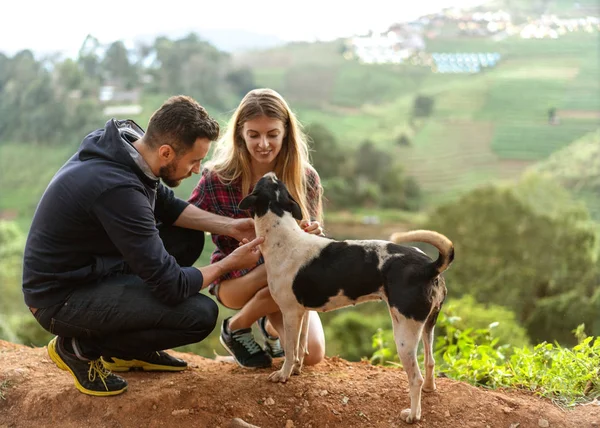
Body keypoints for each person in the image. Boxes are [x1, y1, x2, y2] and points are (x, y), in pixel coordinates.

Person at [22, 95, 264, 397]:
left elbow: (167, 206)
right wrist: (229, 264)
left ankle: (131, 351)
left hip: (97, 267)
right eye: (193, 160)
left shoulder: (132, 147)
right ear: (166, 152)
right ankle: (77, 349)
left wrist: (230, 225)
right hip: (59, 297)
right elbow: (171, 286)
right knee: (199, 315)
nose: (196, 169)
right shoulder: (118, 190)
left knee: (187, 238)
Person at [188, 88, 326, 369]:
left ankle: (250, 326)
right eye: (254, 135)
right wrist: (229, 228)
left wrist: (312, 234)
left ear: (285, 132)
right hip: (237, 281)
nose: (263, 144)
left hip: (286, 283)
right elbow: (184, 214)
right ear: (241, 133)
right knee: (279, 267)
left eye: (272, 134)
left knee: (311, 356)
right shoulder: (218, 177)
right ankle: (240, 325)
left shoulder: (305, 178)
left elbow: (314, 242)